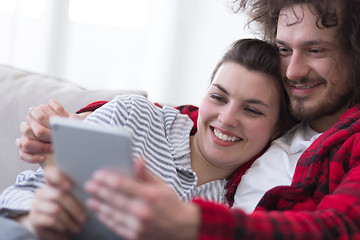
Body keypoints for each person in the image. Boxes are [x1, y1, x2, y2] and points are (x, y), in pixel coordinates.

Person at [72, 0, 360, 239]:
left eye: (316, 50)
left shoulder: (350, 142)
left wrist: (194, 222)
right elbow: (206, 120)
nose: (292, 71)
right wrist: (89, 117)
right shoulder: (280, 128)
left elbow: (339, 227)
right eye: (285, 49)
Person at [0, 38, 295, 239]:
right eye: (218, 97)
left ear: (278, 129)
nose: (227, 118)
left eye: (252, 110)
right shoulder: (134, 116)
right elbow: (19, 194)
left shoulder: (235, 208)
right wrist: (34, 217)